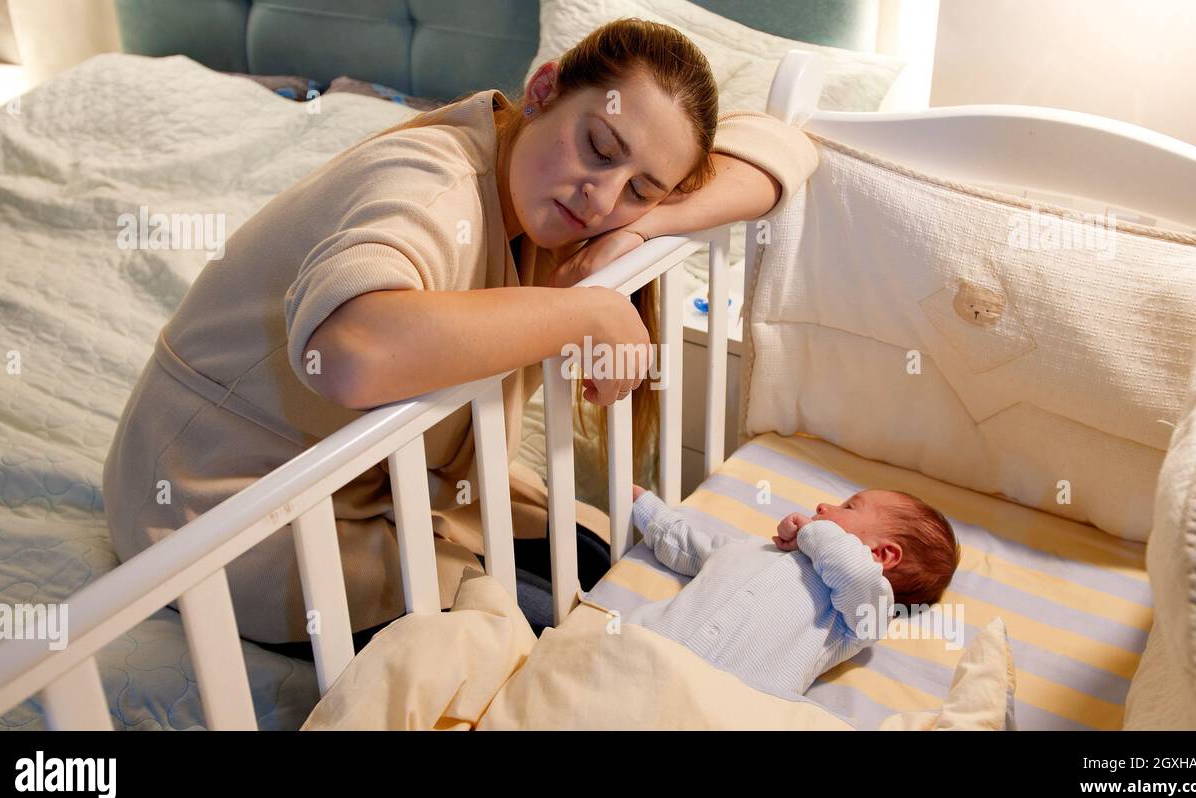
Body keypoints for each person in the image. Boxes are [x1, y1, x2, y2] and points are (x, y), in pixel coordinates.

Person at [102, 18, 820, 647]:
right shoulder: (435, 183)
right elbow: (348, 354)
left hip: (380, 483)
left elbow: (783, 149)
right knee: (559, 638)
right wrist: (590, 311)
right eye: (599, 147)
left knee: (609, 567)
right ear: (542, 89)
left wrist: (644, 227)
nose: (601, 197)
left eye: (640, 185)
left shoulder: (563, 202)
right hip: (214, 504)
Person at [626, 484, 959, 694]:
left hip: (727, 705)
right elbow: (688, 547)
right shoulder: (756, 548)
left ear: (881, 554)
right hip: (647, 652)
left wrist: (811, 532)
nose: (824, 507)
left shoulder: (860, 614)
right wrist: (643, 505)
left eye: (848, 507)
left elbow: (853, 571)